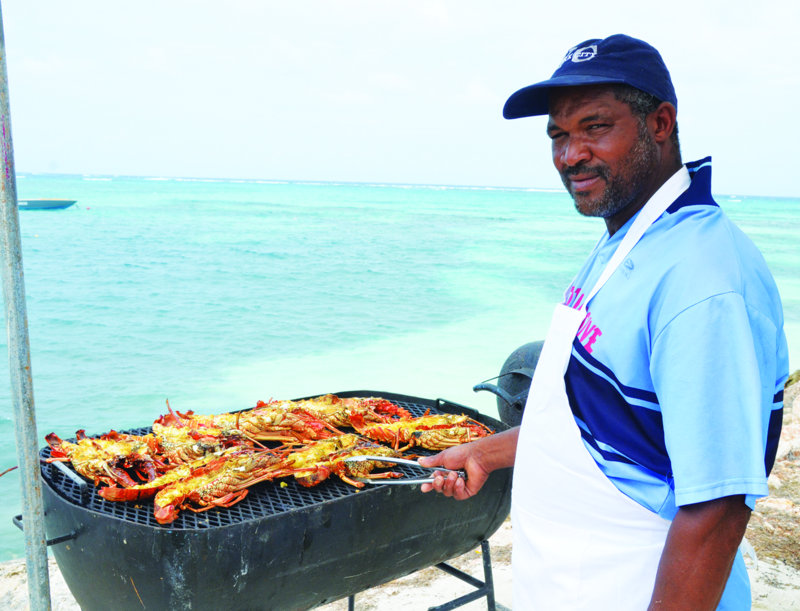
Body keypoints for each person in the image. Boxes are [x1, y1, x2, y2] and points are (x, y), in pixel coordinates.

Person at [419, 34, 789, 610]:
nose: (571, 156)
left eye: (595, 127)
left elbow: (717, 507)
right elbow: (604, 421)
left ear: (660, 123)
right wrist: (487, 454)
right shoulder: (629, 238)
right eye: (559, 136)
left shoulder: (703, 280)